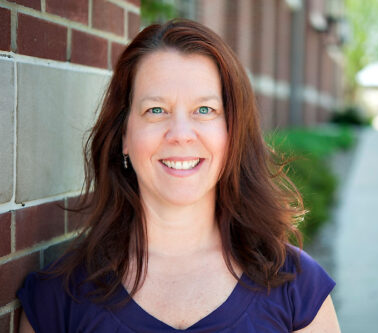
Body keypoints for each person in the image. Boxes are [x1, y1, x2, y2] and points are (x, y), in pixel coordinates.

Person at [17, 19, 341, 332]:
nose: (181, 134)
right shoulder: (58, 299)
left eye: (205, 110)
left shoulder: (297, 287)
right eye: (156, 110)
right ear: (123, 137)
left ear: (233, 134)